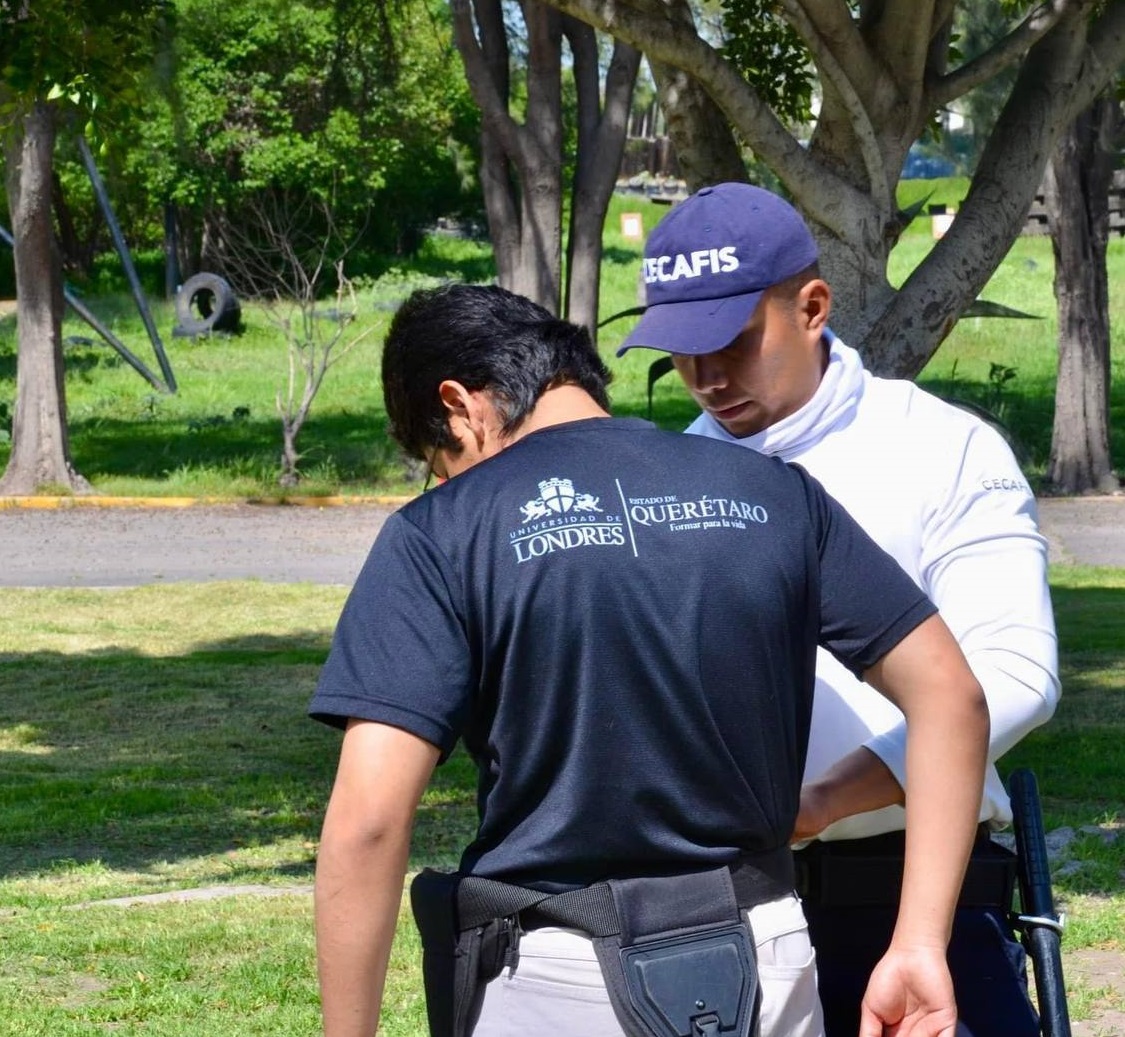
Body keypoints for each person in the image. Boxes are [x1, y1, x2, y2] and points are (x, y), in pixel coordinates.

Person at [309, 282, 990, 1037]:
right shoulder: (775, 493)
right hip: (769, 962)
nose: (444, 482)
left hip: (553, 977)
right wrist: (920, 942)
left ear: (461, 404)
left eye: (437, 460)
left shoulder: (437, 533)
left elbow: (368, 820)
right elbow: (951, 696)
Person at [618, 181, 1060, 1037]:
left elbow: (1013, 678)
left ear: (812, 306)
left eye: (733, 341)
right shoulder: (649, 486)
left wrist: (826, 798)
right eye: (680, 351)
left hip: (912, 900)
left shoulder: (942, 448)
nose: (706, 377)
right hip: (712, 909)